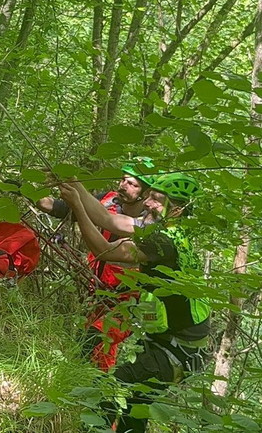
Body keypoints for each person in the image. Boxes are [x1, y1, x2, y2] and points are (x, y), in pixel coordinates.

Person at [60, 173, 210, 433]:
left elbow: (104, 250)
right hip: (174, 343)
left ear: (176, 209)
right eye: (149, 196)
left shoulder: (162, 242)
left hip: (177, 349)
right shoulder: (166, 230)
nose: (148, 203)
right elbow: (109, 220)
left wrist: (76, 206)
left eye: (156, 199)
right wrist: (76, 184)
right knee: (135, 406)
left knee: (112, 390)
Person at [37, 159, 157, 370]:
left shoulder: (149, 226)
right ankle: (93, 391)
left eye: (132, 184)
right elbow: (61, 207)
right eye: (123, 180)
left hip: (129, 301)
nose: (123, 185)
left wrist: (77, 200)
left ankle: (78, 388)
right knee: (99, 351)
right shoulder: (108, 201)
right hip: (98, 290)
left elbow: (105, 249)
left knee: (92, 339)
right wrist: (28, 191)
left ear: (146, 193)